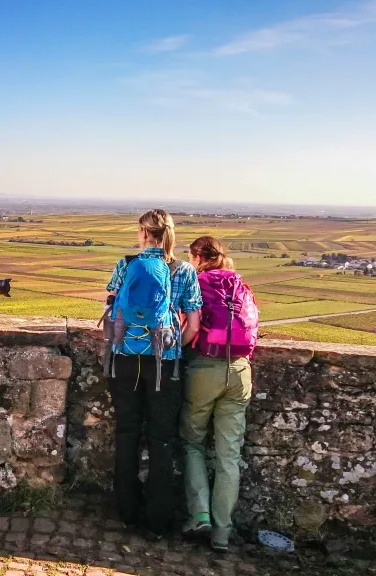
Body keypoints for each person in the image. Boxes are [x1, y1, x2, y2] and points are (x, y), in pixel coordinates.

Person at [104, 209, 201, 540]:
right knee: (161, 438)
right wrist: (175, 352)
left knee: (127, 432)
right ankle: (159, 519)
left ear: (144, 234)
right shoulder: (184, 270)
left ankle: (127, 511)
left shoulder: (126, 265)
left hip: (125, 360)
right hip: (165, 362)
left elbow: (112, 307)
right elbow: (194, 324)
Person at [180, 236, 257, 552]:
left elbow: (191, 328)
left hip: (204, 368)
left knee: (192, 441)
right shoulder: (240, 284)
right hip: (240, 371)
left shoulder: (197, 283)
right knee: (229, 456)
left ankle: (200, 515)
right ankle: (222, 534)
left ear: (197, 256)